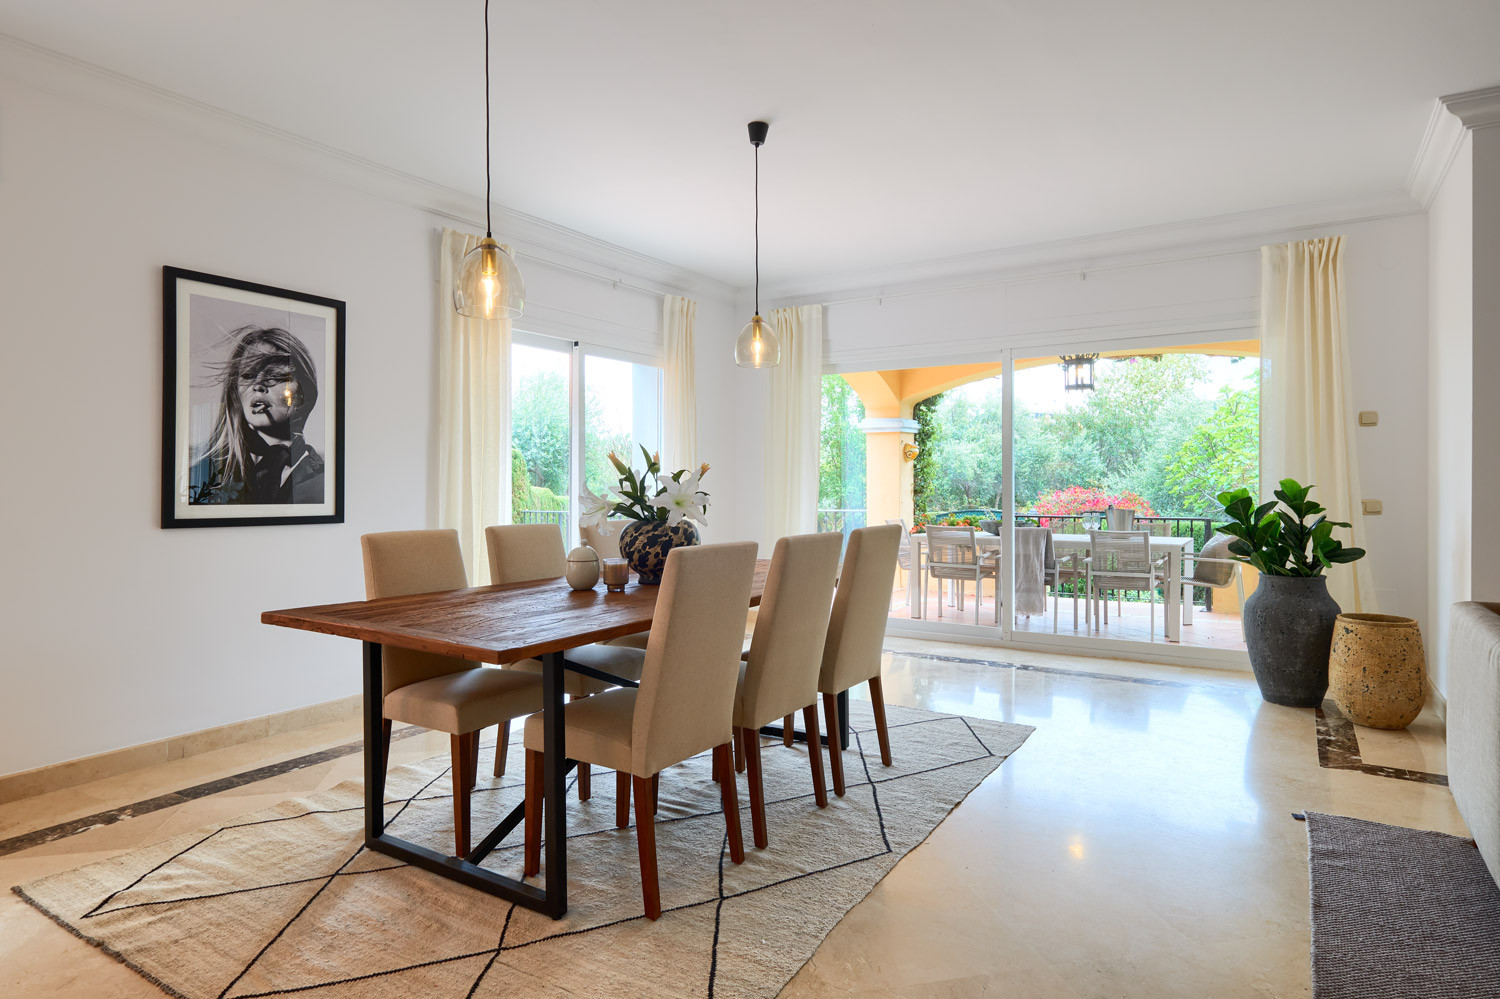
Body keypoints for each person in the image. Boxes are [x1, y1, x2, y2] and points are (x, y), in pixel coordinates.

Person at [190, 325, 324, 505]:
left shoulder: (325, 484)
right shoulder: (203, 476)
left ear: (302, 393)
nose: (258, 385)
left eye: (274, 376)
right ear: (235, 392)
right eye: (247, 375)